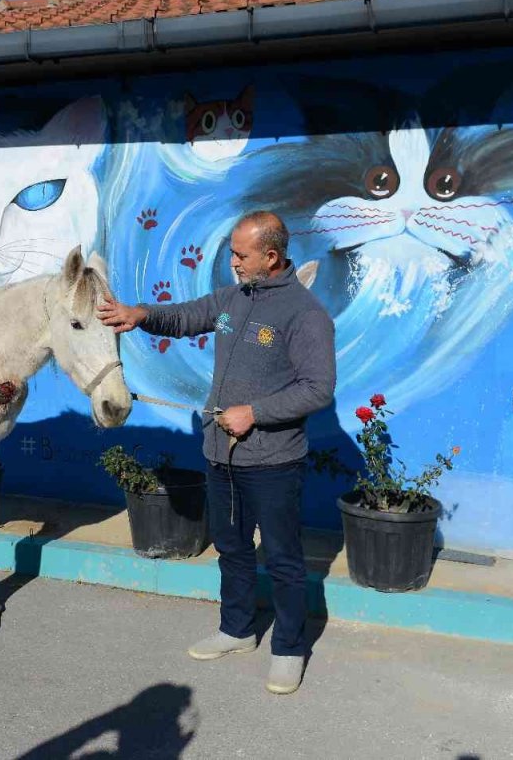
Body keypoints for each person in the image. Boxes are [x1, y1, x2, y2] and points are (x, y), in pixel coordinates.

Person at [97, 211, 335, 695]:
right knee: (230, 547)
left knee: (285, 558)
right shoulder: (232, 299)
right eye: (232, 252)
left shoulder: (305, 314)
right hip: (220, 455)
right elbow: (187, 317)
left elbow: (318, 389)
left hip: (273, 460)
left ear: (271, 257)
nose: (232, 262)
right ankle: (237, 629)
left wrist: (257, 412)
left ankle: (289, 648)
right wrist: (139, 314)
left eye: (240, 255)